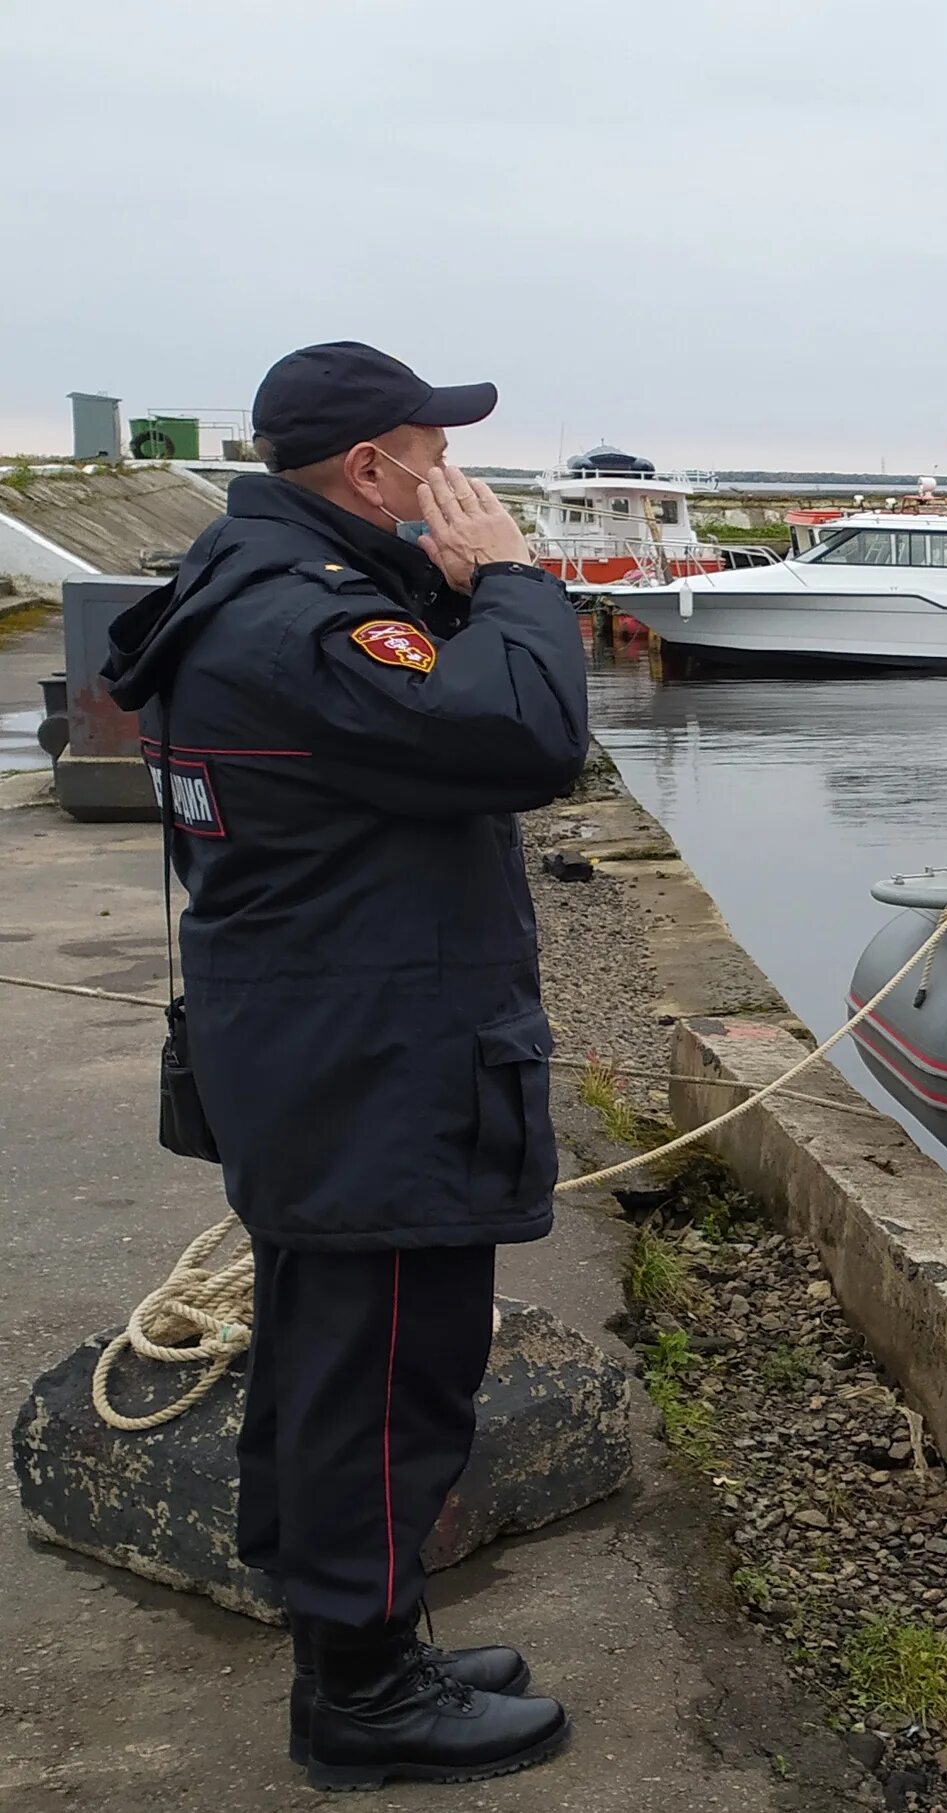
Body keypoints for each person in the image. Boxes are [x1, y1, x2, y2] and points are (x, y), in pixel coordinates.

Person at [102, 342, 590, 1786]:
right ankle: (362, 1698)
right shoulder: (301, 626)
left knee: (335, 1368)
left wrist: (439, 594)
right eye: (433, 446)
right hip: (375, 1062)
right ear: (373, 470)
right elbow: (525, 732)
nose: (458, 470)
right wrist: (510, 583)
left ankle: (365, 1638)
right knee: (386, 1378)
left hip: (328, 1040)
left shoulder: (265, 585)